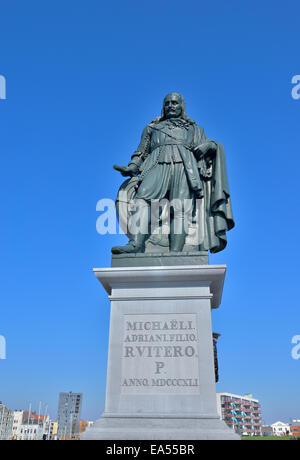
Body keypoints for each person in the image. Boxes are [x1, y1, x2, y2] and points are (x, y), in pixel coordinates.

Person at [112, 92, 234, 254]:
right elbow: (141, 152)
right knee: (142, 199)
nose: (171, 106)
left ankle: (177, 251)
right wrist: (132, 167)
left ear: (181, 106)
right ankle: (136, 243)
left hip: (185, 169)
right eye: (167, 103)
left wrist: (209, 146)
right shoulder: (151, 128)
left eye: (175, 103)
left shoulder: (193, 129)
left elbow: (212, 145)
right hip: (157, 165)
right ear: (163, 107)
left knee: (180, 209)